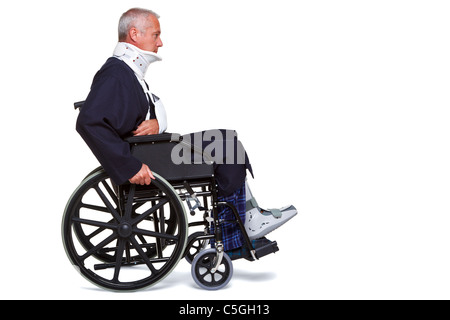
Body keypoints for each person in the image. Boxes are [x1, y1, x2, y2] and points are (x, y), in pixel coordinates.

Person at [76, 8, 297, 260]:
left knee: (226, 140)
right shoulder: (116, 73)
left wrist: (158, 122)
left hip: (151, 147)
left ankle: (246, 215)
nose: (160, 42)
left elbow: (151, 104)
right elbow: (89, 121)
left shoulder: (126, 71)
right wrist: (128, 166)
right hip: (146, 156)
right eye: (156, 34)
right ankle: (236, 231)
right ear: (134, 34)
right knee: (226, 146)